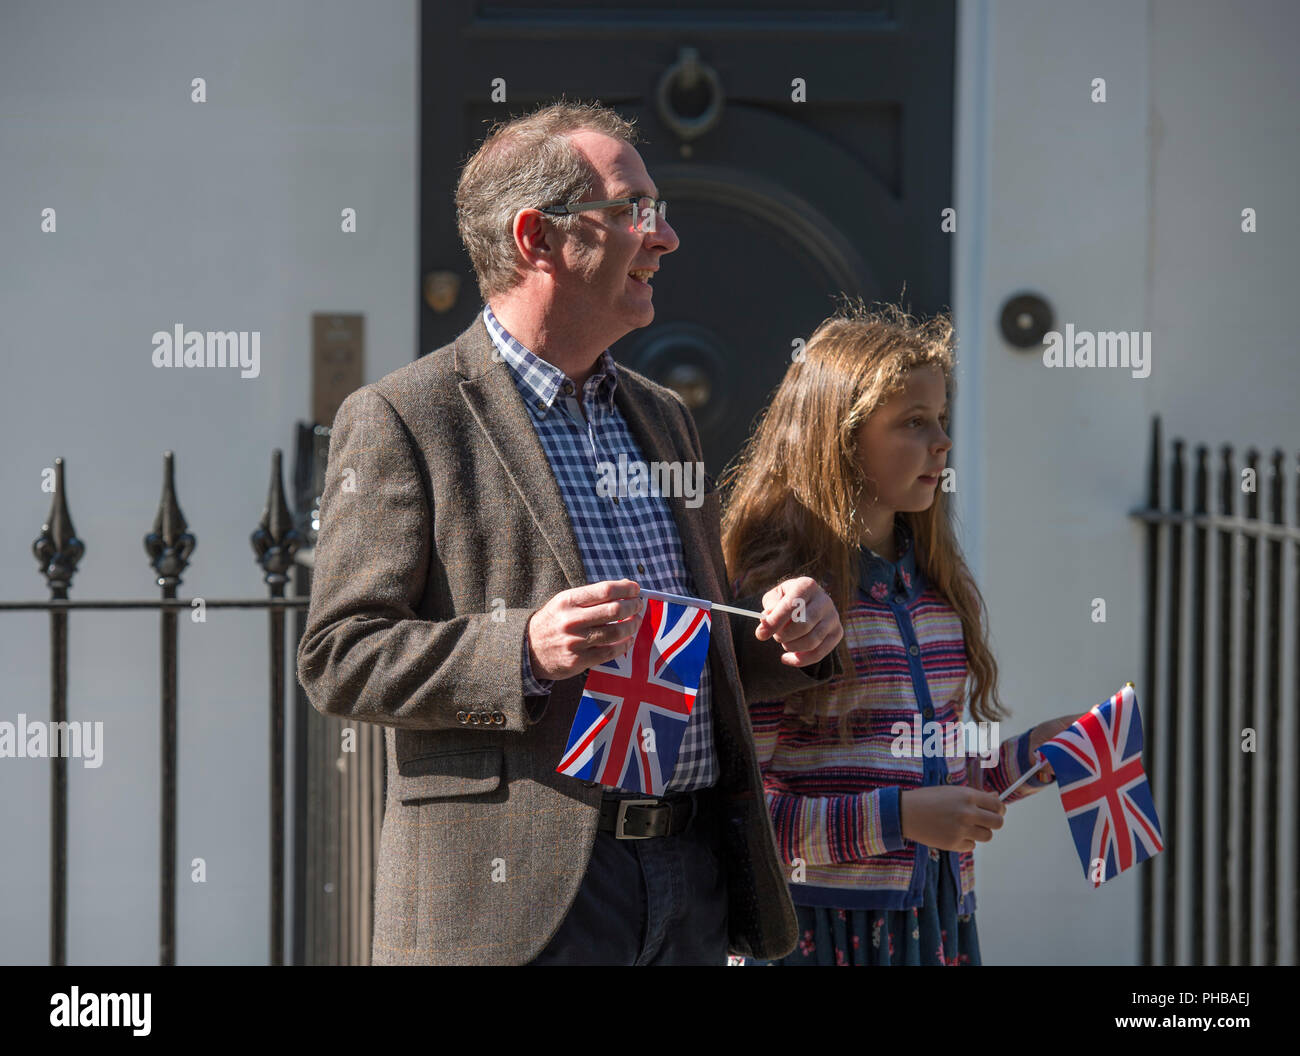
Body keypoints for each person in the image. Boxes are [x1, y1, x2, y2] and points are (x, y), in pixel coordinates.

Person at [295, 100, 844, 965]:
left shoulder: (663, 417)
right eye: (634, 212)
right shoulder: (408, 416)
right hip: (517, 901)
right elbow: (338, 656)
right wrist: (525, 649)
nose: (665, 239)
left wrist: (784, 634)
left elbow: (685, 644)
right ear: (535, 238)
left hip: (689, 874)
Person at [720, 301, 1076, 965]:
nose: (941, 441)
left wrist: (1030, 756)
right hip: (818, 934)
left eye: (940, 420)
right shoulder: (788, 609)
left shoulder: (937, 592)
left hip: (936, 923)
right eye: (913, 423)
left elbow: (937, 782)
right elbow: (748, 817)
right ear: (841, 438)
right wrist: (903, 818)